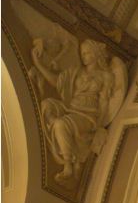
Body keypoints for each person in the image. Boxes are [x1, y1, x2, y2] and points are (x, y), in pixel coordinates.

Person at [30, 38, 126, 185]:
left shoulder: (105, 76)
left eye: (87, 53)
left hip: (87, 115)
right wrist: (37, 63)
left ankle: (68, 165)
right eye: (82, 53)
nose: (84, 56)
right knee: (46, 104)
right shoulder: (76, 72)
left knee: (61, 124)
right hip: (70, 108)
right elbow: (56, 81)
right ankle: (57, 128)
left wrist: (98, 125)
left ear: (96, 53)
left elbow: (104, 102)